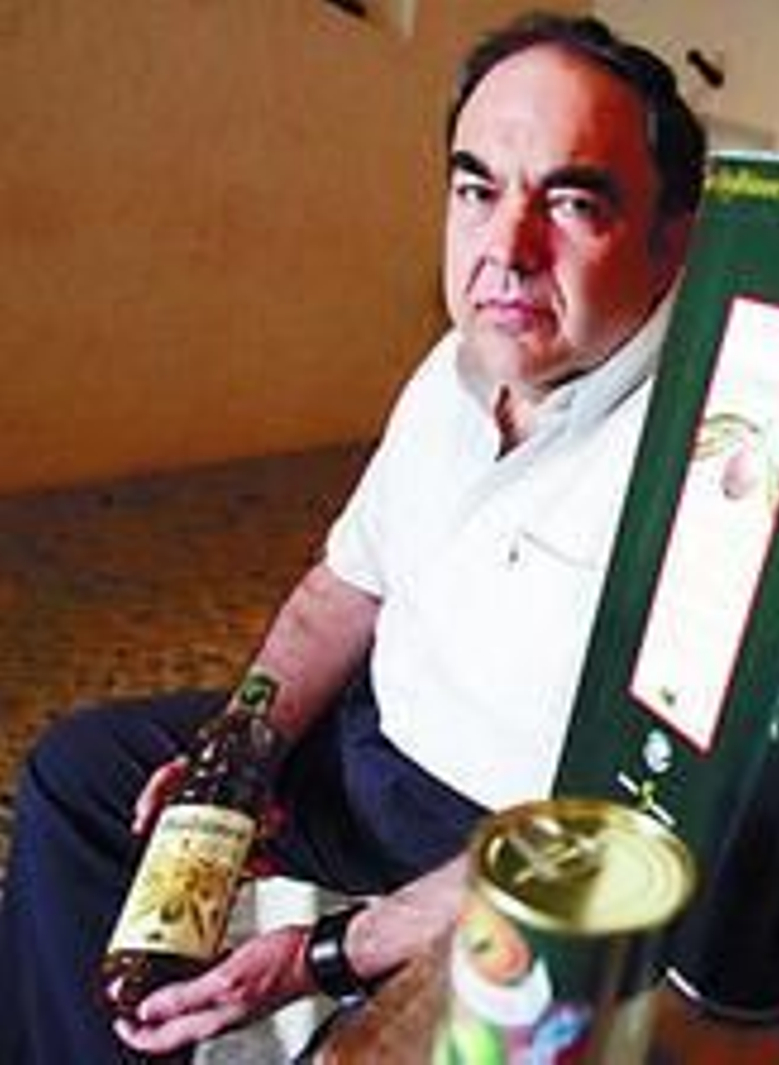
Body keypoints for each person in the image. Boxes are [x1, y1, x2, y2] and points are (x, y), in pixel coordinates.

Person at [0, 12, 705, 1061]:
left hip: (520, 848)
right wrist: (239, 754)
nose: (505, 251)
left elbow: (626, 830)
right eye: (477, 190)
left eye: (571, 201)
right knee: (82, 778)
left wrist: (331, 953)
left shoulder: (714, 457)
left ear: (671, 237)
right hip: (371, 753)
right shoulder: (458, 365)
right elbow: (346, 587)